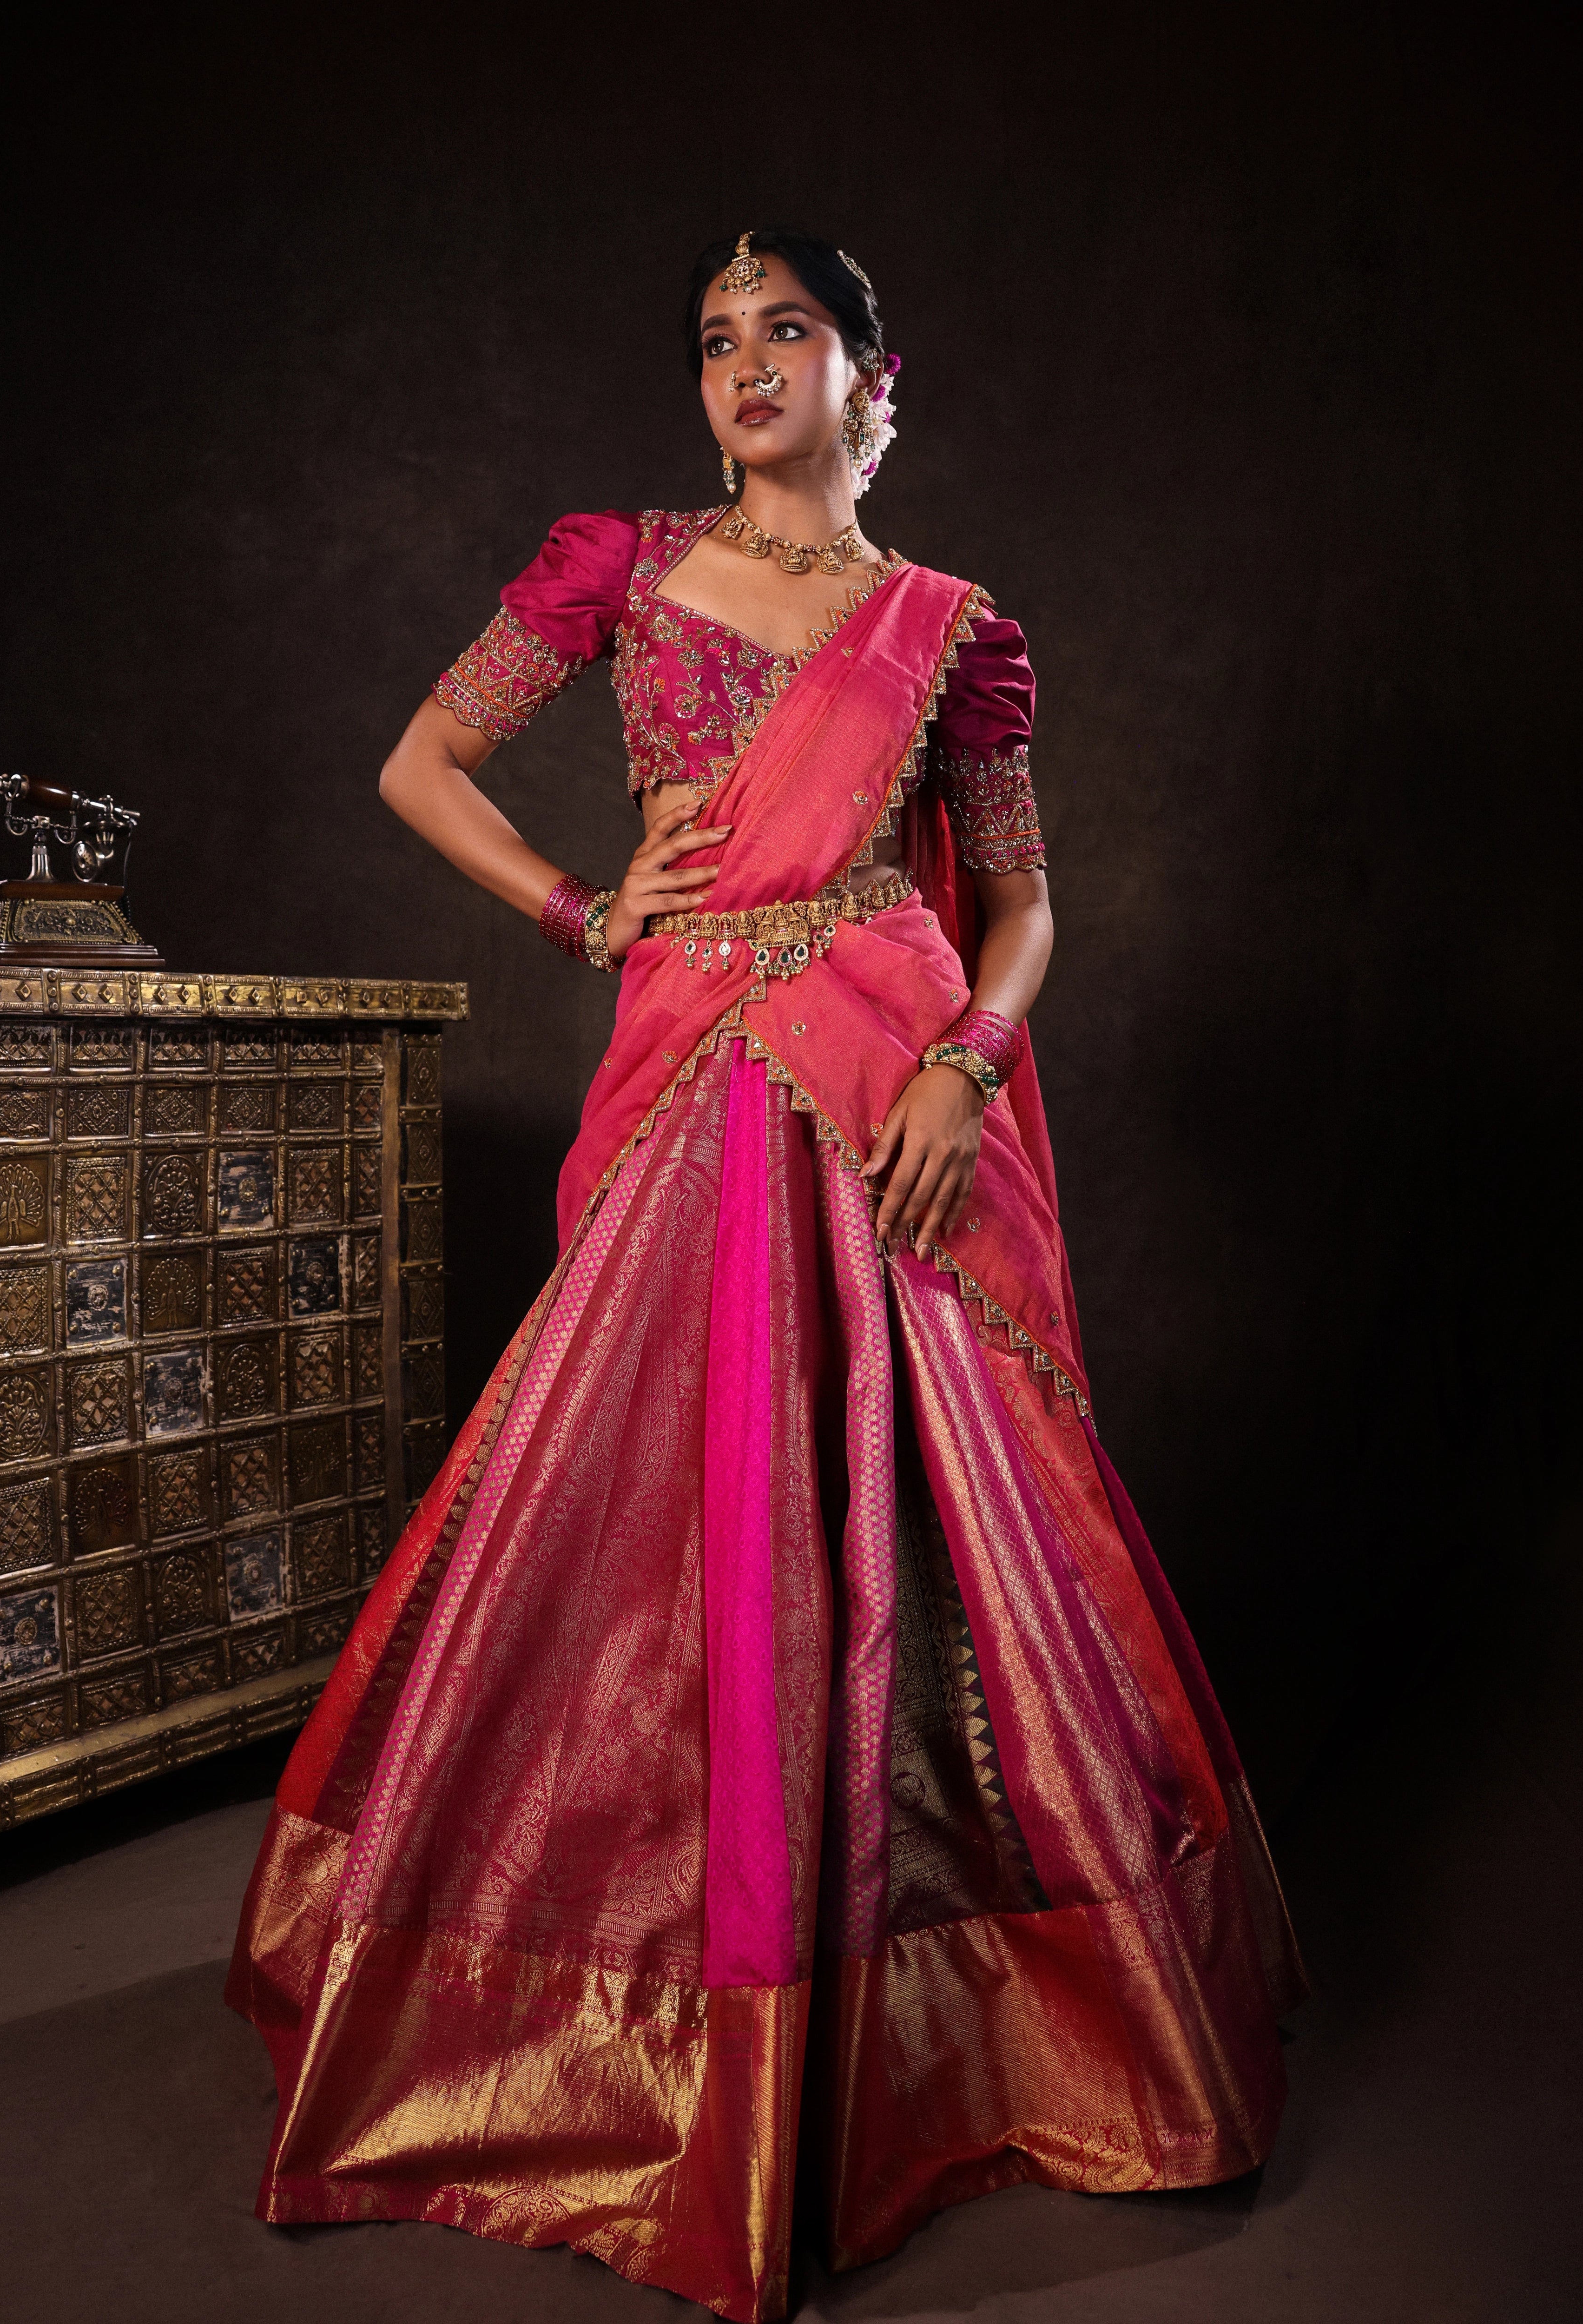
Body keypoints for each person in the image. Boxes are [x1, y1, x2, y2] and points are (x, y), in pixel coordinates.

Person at [227, 226, 1306, 2323]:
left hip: (890, 1088)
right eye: (713, 337)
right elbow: (416, 764)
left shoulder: (951, 629)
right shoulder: (614, 572)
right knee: (665, 1523)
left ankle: (941, 2027)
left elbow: (1020, 908)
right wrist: (580, 903)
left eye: (781, 328)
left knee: (929, 1526)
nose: (739, 362)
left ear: (868, 368)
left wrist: (968, 1068)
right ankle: (671, 2025)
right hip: (694, 1076)